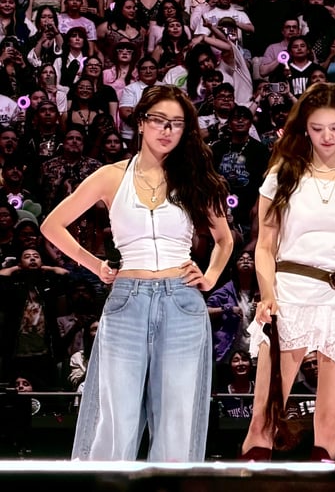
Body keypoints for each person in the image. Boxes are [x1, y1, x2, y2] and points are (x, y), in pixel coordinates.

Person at [39, 84, 234, 460]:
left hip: (182, 302)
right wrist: (96, 265)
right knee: (117, 419)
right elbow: (51, 225)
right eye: (159, 120)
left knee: (176, 420)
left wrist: (210, 276)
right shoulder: (110, 176)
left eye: (177, 123)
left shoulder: (194, 177)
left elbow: (224, 239)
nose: (167, 130)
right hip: (128, 299)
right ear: (141, 122)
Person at [239, 82, 335, 462]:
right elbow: (264, 245)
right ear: (304, 127)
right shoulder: (283, 174)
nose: (327, 137)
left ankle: (325, 484)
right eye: (318, 128)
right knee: (264, 418)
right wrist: (267, 295)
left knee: (331, 422)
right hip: (290, 296)